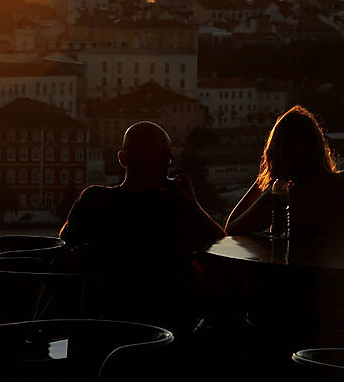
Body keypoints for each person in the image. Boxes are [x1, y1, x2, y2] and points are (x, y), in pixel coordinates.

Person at [59, 121, 225, 332]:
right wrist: (193, 203)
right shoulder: (176, 208)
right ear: (167, 158)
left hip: (104, 322)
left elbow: (64, 245)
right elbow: (223, 246)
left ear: (122, 159)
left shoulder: (93, 200)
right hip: (168, 325)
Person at [225, 105, 344, 237]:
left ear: (278, 151)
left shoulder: (283, 197)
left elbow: (231, 229)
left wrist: (262, 178)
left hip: (304, 262)